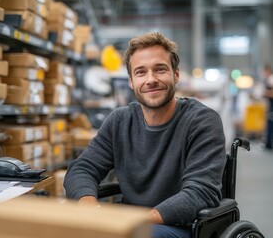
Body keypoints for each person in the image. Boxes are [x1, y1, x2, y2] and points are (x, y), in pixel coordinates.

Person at [64, 32, 226, 238]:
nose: (151, 79)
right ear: (131, 81)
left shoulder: (202, 121)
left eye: (160, 69)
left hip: (179, 225)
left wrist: (137, 222)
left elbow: (200, 191)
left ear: (176, 75)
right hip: (129, 225)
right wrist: (89, 205)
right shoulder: (120, 121)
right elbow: (82, 168)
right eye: (141, 72)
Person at [262, 64, 273, 150]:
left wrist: (264, 94)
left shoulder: (271, 78)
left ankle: (269, 144)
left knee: (270, 124)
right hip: (270, 105)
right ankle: (268, 143)